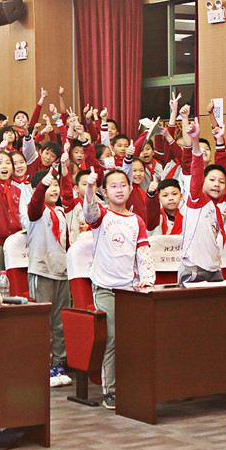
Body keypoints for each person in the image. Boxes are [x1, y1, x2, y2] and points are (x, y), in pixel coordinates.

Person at [84, 169, 155, 409]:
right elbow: (89, 211)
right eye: (113, 186)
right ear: (105, 192)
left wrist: (147, 279)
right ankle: (111, 391)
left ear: (130, 189)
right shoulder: (102, 215)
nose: (119, 189)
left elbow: (143, 254)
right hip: (105, 287)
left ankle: (134, 383)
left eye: (123, 185)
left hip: (130, 289)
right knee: (113, 336)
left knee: (136, 336)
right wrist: (90, 188)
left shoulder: (137, 220)